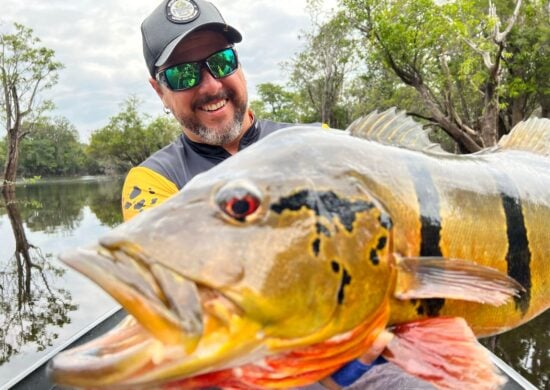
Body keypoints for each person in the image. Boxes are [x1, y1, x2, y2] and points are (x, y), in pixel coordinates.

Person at [122, 1, 434, 389]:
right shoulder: (153, 183)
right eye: (183, 74)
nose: (211, 85)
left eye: (221, 61)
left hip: (359, 341)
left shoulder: (317, 141)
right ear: (159, 91)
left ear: (237, 63)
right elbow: (183, 308)